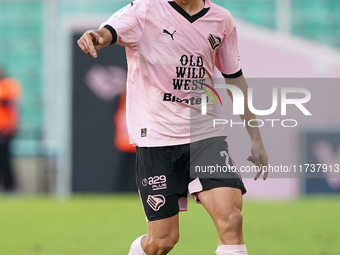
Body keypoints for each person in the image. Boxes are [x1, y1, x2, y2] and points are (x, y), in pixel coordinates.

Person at [77, 0, 268, 254]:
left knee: (232, 220)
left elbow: (235, 79)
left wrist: (256, 137)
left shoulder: (222, 20)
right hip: (157, 139)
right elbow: (110, 31)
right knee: (162, 242)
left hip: (205, 135)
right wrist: (96, 36)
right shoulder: (145, 9)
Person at [0, 68, 21, 192]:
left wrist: (10, 126)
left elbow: (12, 105)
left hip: (5, 129)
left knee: (5, 158)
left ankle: (9, 186)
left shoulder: (9, 85)